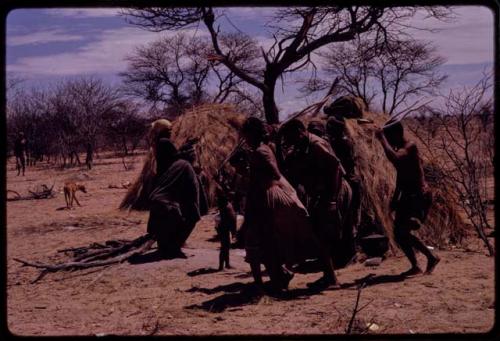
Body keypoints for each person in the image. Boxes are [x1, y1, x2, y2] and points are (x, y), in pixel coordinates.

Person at [241, 117, 329, 293]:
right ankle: (279, 277)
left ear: (252, 134)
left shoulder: (261, 152)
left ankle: (278, 279)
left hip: (265, 197)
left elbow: (274, 173)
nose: (245, 138)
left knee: (267, 241)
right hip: (267, 195)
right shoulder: (265, 149)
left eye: (246, 134)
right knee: (269, 241)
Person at [280, 119, 354, 287]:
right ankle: (329, 276)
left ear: (300, 131)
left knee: (322, 233)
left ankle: (331, 278)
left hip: (335, 191)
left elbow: (335, 168)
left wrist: (332, 200)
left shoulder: (316, 144)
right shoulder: (302, 147)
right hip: (323, 194)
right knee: (318, 233)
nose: (289, 142)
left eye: (291, 137)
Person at [375, 120, 440, 276]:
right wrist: (395, 199)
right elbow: (401, 177)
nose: (389, 141)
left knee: (403, 231)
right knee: (399, 234)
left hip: (418, 196)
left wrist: (381, 138)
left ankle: (431, 256)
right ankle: (417, 265)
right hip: (408, 196)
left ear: (397, 134)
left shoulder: (410, 146)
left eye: (389, 137)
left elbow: (396, 159)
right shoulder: (401, 149)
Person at [146, 136, 202, 259]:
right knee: (193, 216)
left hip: (157, 204)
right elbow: (193, 194)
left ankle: (167, 248)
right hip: (167, 207)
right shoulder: (185, 166)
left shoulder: (172, 165)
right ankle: (174, 248)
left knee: (169, 224)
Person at [326, 114, 361, 236]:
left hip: (347, 180)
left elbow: (340, 164)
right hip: (348, 179)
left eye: (331, 127)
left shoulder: (342, 143)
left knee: (349, 213)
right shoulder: (339, 141)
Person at [215, 185, 237, 270]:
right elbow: (230, 220)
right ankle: (221, 266)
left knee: (227, 246)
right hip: (223, 228)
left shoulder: (227, 204)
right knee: (224, 247)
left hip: (225, 227)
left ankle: (227, 264)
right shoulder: (224, 205)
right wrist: (233, 232)